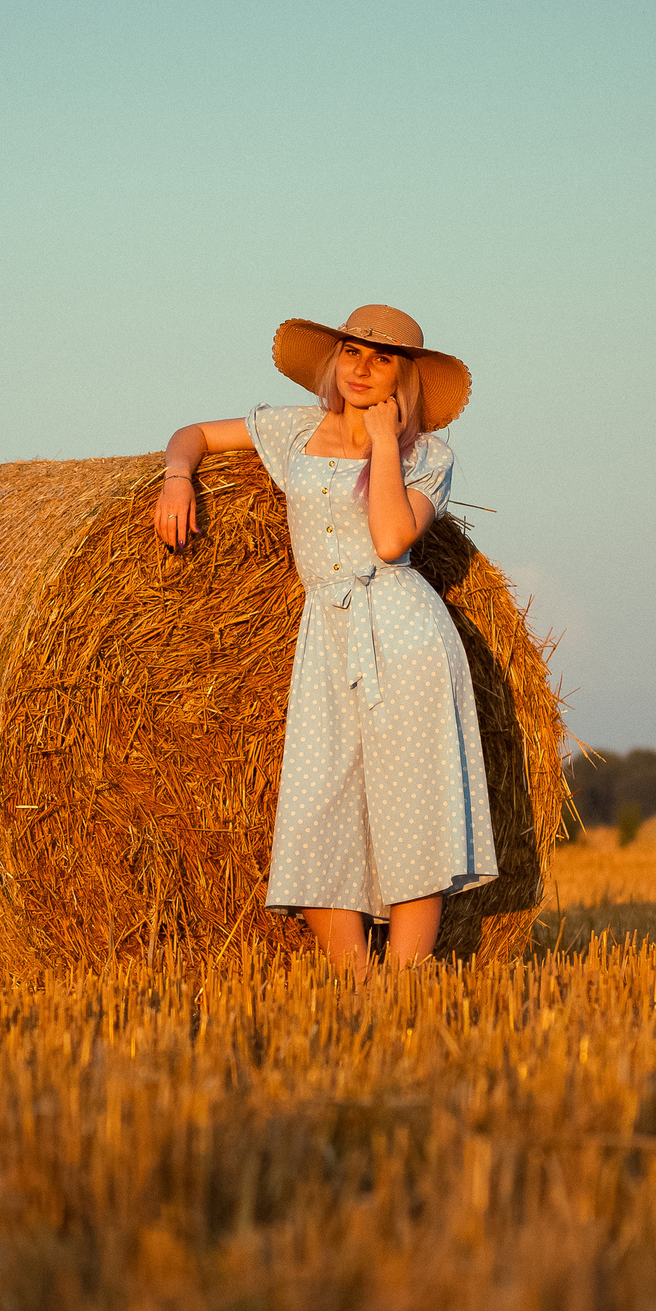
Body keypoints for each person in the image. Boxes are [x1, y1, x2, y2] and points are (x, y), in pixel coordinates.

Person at [154, 305, 497, 975]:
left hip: (403, 635)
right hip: (325, 637)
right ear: (334, 361)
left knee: (412, 804)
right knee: (316, 812)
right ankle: (354, 982)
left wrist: (385, 445)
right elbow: (190, 432)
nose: (362, 368)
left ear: (406, 378)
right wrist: (176, 477)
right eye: (352, 352)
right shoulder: (292, 430)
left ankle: (405, 985)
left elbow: (393, 538)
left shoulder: (429, 456)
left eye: (382, 359)